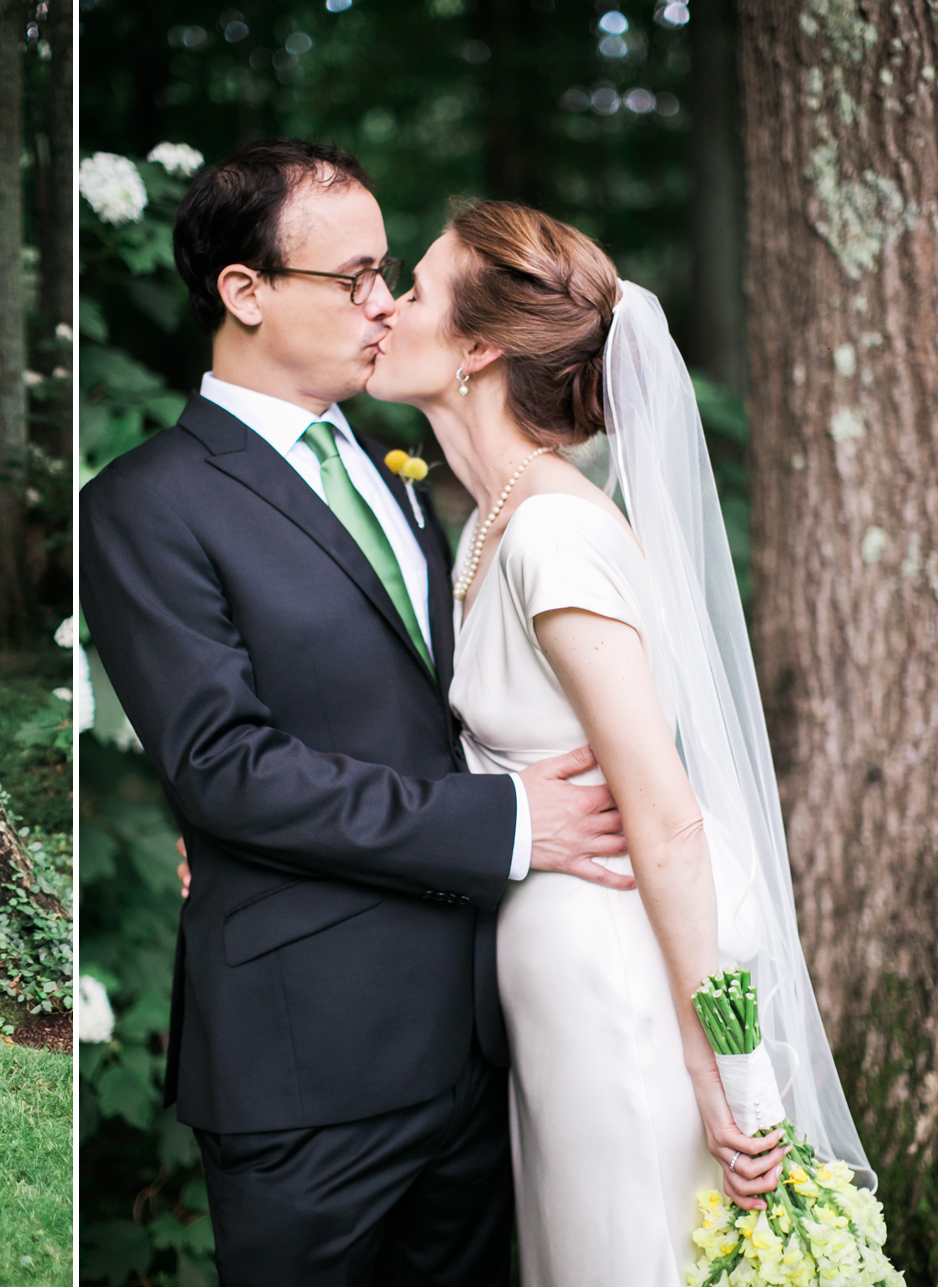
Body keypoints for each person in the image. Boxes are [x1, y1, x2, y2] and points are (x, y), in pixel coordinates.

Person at [79, 139, 632, 1285]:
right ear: (243, 291)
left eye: (388, 276)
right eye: (352, 279)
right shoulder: (143, 506)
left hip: (477, 1035)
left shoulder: (398, 464)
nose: (382, 307)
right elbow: (224, 768)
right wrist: (506, 822)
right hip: (305, 1063)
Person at [362, 199, 870, 1284]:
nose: (386, 309)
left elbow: (669, 815)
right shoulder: (489, 520)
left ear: (479, 347)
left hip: (618, 983)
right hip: (549, 982)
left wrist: (715, 1059)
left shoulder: (553, 532)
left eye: (412, 289)